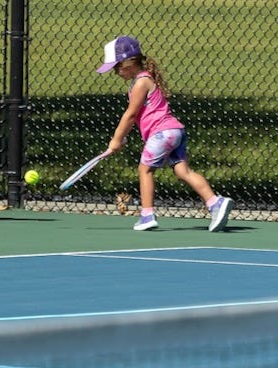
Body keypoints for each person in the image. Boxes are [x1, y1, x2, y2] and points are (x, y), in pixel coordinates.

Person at [96, 36, 232, 232]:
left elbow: (131, 114)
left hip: (162, 133)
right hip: (175, 131)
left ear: (129, 62)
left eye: (117, 67)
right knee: (183, 171)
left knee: (145, 170)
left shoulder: (141, 82)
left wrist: (116, 139)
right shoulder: (145, 79)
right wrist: (123, 137)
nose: (116, 72)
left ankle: (147, 215)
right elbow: (143, 116)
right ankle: (215, 203)